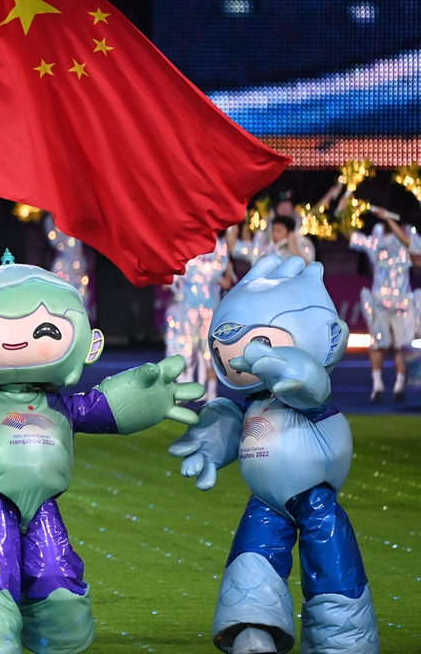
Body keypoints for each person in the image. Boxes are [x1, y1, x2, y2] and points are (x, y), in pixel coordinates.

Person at [0, 256, 201, 654]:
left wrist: (148, 393)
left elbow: (105, 405)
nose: (14, 343)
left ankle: (57, 635)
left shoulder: (60, 405)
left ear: (89, 343)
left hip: (46, 503)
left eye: (43, 329)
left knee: (55, 567)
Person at [170, 254, 377, 653]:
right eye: (223, 349)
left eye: (256, 341)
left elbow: (310, 385)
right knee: (252, 555)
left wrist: (291, 366)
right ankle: (251, 630)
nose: (234, 358)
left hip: (315, 496)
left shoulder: (302, 391)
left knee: (332, 561)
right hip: (266, 500)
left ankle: (343, 641)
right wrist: (215, 438)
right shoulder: (253, 403)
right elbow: (235, 422)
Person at [343, 206, 421, 401]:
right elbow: (350, 235)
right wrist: (343, 211)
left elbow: (414, 251)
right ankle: (377, 385)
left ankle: (399, 386)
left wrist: (391, 221)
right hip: (379, 302)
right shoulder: (375, 240)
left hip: (403, 302)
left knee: (402, 346)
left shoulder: (407, 234)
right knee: (377, 344)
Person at [164, 236, 229, 400]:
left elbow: (223, 275)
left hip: (209, 308)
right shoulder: (185, 246)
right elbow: (171, 279)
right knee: (186, 348)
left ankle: (212, 392)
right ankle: (184, 390)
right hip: (189, 308)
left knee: (209, 350)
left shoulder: (216, 247)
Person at [45, 214, 92, 320]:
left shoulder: (75, 219)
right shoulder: (51, 221)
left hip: (77, 264)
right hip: (63, 266)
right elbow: (54, 240)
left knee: (80, 293)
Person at [231, 214, 315, 265]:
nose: (275, 234)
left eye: (279, 231)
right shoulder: (267, 249)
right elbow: (234, 247)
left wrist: (293, 246)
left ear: (290, 232)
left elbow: (309, 269)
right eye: (273, 230)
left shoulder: (302, 244)